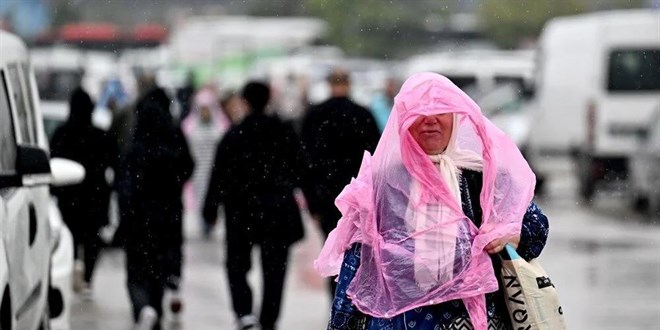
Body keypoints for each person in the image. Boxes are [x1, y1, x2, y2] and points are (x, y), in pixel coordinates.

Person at [315, 72, 549, 330]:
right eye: (419, 113)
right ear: (404, 121)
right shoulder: (383, 182)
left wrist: (513, 236)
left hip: (471, 320)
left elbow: (534, 226)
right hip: (400, 321)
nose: (430, 121)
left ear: (455, 117)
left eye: (441, 111)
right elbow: (358, 263)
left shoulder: (479, 176)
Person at [203, 81, 307, 330]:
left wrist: (210, 207)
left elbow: (219, 174)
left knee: (236, 264)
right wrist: (312, 203)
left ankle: (245, 313)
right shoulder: (284, 131)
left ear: (245, 101)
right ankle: (269, 320)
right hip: (277, 209)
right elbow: (302, 168)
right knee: (275, 270)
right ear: (268, 99)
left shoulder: (234, 134)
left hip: (241, 209)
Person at [117, 87, 194, 330]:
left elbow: (123, 186)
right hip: (168, 215)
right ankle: (155, 308)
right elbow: (188, 167)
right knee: (158, 266)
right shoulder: (173, 140)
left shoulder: (134, 149)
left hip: (138, 217)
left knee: (136, 268)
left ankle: (143, 309)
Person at [301, 68, 380, 296]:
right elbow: (375, 158)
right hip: (358, 196)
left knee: (334, 249)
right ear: (349, 83)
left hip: (327, 196)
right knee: (358, 251)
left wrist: (312, 201)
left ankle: (336, 301)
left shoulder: (315, 115)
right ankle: (354, 301)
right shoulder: (363, 115)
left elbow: (306, 163)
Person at [50, 87, 118, 298]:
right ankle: (87, 277)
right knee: (91, 239)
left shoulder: (61, 134)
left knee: (70, 235)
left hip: (68, 195)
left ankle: (72, 270)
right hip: (95, 197)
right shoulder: (101, 136)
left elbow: (52, 162)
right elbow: (114, 163)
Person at [181, 87, 230, 235]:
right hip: (198, 171)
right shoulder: (189, 126)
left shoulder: (221, 125)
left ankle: (210, 221)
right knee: (199, 198)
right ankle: (204, 222)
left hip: (214, 169)